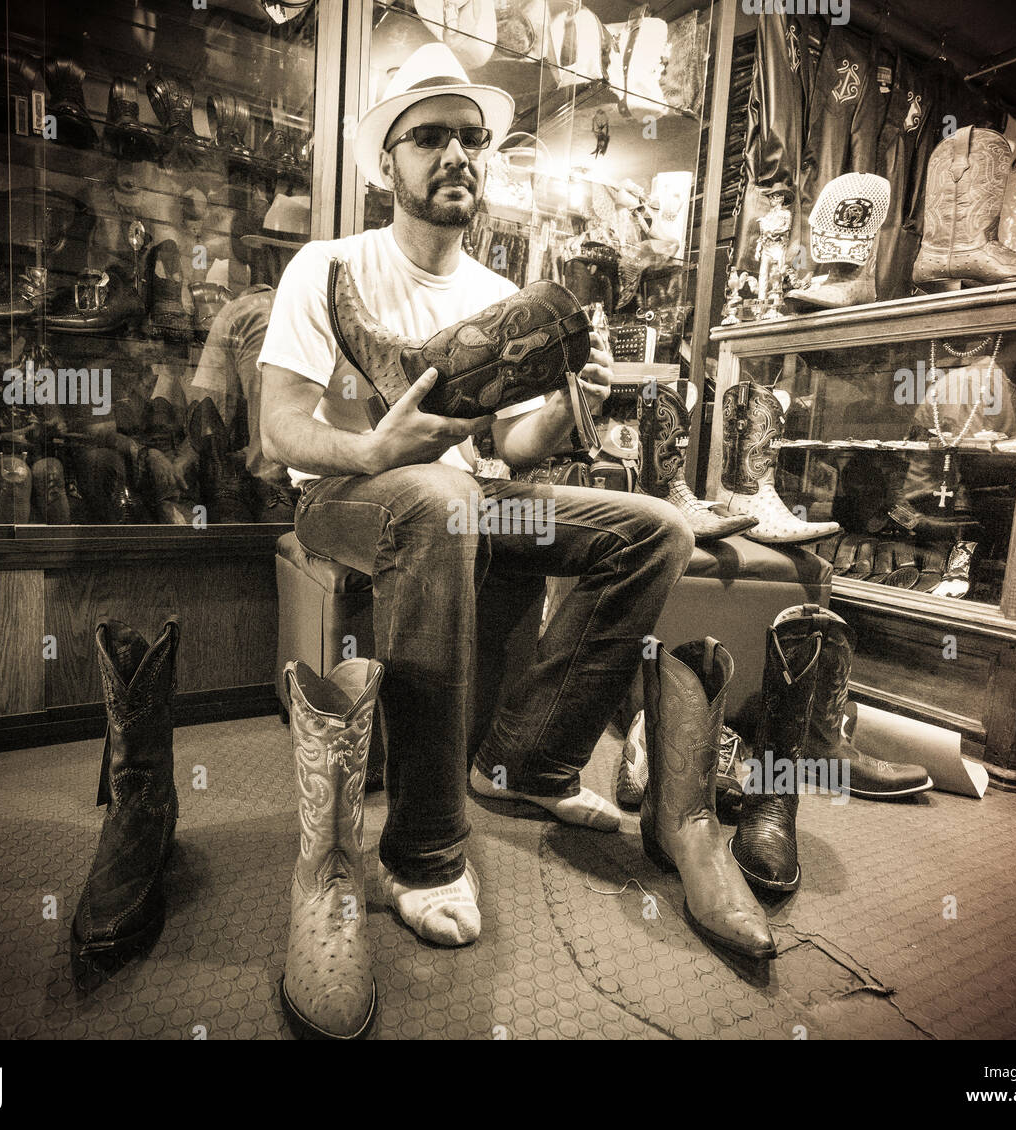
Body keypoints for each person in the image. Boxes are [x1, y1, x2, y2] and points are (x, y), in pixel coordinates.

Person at [257, 43, 694, 948]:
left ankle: (529, 757)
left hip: (472, 496)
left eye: (471, 139)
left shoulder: (503, 298)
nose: (456, 154)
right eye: (430, 138)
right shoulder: (327, 266)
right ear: (391, 162)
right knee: (435, 502)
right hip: (345, 491)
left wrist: (582, 407)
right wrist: (374, 445)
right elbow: (280, 429)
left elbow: (512, 447)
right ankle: (422, 849)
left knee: (655, 530)